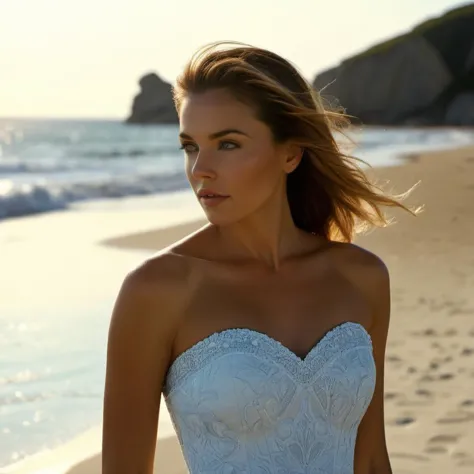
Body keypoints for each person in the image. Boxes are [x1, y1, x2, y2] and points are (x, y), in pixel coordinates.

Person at [102, 41, 415, 474]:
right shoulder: (158, 290)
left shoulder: (362, 277)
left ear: (290, 152)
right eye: (190, 146)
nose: (200, 169)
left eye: (227, 144)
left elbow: (371, 458)